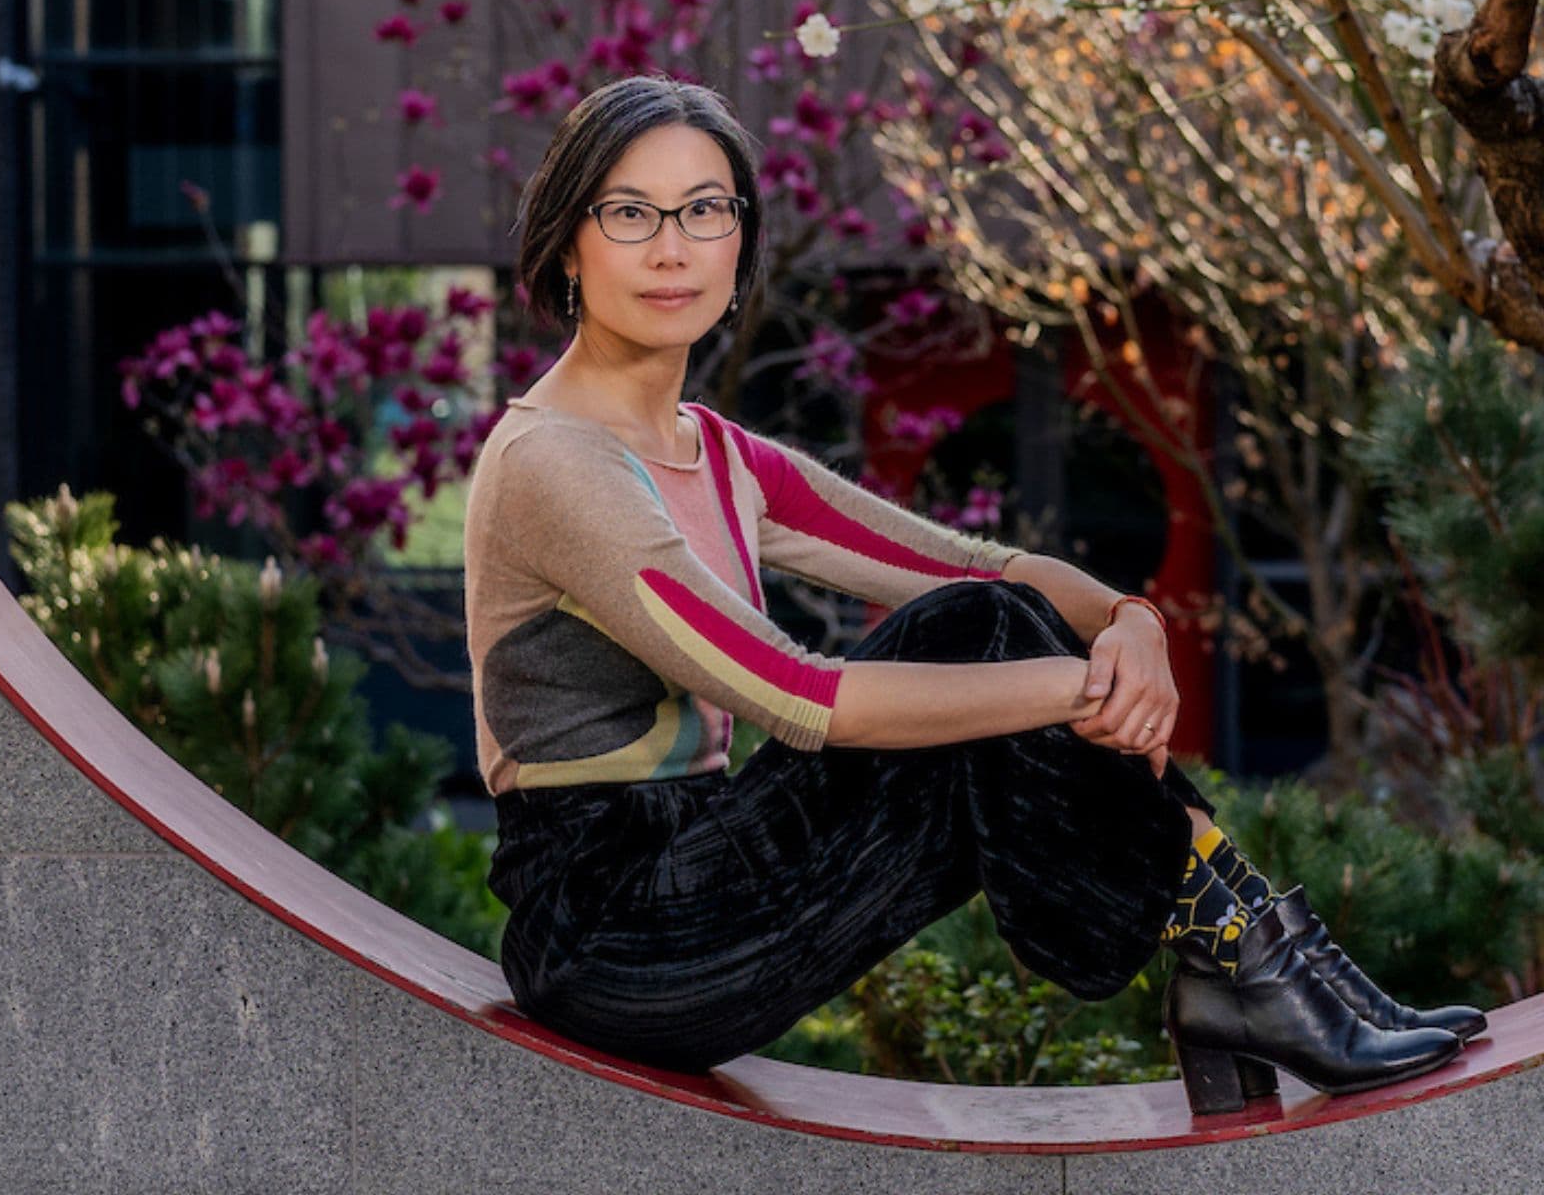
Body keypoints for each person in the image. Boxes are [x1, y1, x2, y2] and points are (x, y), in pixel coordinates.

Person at [462, 73, 1483, 1115]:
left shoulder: (716, 455)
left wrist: (1131, 623)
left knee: (982, 617)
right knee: (982, 642)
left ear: (739, 242)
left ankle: (1245, 952)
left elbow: (986, 568)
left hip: (706, 870)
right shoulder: (556, 464)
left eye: (704, 210)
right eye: (630, 213)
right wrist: (1080, 689)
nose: (672, 247)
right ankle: (1250, 956)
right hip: (611, 938)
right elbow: (799, 701)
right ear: (567, 243)